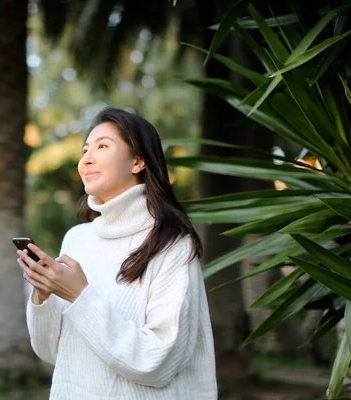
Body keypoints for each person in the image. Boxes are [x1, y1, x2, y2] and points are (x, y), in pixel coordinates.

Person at [16, 107, 217, 399]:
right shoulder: (77, 239)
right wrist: (44, 296)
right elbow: (51, 352)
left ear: (137, 161)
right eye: (85, 150)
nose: (87, 159)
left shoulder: (171, 244)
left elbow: (158, 362)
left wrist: (79, 296)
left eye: (102, 146)